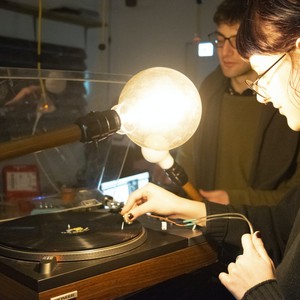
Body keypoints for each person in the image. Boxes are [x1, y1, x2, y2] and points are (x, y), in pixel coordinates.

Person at [121, 0, 300, 298]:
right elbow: (283, 226)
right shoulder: (209, 90)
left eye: (263, 75)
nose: (262, 97)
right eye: (220, 39)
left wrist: (259, 290)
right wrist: (186, 207)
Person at [176, 0, 300, 206]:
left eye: (236, 41)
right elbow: (187, 154)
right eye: (220, 40)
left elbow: (293, 196)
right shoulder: (207, 91)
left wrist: (235, 199)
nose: (225, 52)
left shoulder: (290, 106)